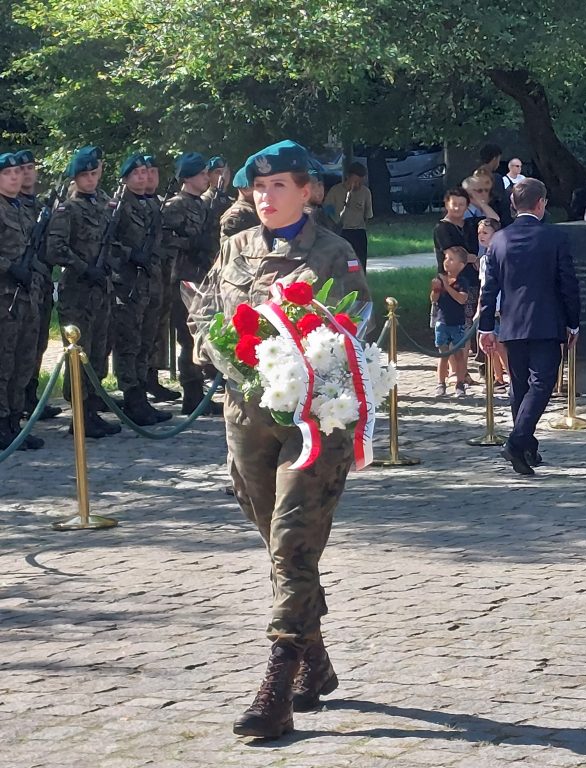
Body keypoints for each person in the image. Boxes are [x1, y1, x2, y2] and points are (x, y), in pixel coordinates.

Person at [191, 139, 372, 740]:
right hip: (247, 414)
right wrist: (220, 353)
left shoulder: (334, 252)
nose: (264, 198)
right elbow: (207, 314)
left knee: (293, 539)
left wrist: (308, 371)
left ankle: (280, 675)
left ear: (307, 192)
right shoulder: (236, 247)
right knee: (273, 533)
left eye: (277, 188)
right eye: (257, 189)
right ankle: (316, 661)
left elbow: (352, 329)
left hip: (313, 419)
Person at [478, 178, 580, 476]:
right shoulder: (554, 237)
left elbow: (489, 288)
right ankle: (517, 441)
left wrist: (486, 327)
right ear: (541, 203)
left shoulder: (499, 240)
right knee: (542, 384)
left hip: (511, 321)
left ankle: (526, 446)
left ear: (513, 206)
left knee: (520, 385)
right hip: (547, 321)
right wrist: (573, 322)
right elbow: (568, 284)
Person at [48, 146, 121, 438]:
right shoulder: (68, 209)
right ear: (75, 178)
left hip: (101, 288)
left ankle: (91, 409)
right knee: (79, 354)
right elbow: (55, 249)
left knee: (99, 350)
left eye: (94, 173)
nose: (90, 180)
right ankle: (78, 415)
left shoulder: (105, 203)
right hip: (78, 290)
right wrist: (83, 267)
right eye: (84, 176)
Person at [109, 153, 171, 426]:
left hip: (150, 281)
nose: (144, 177)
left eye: (147, 172)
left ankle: (143, 394)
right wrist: (130, 254)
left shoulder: (150, 205)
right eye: (138, 173)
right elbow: (106, 242)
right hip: (128, 283)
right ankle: (132, 398)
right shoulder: (118, 205)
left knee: (147, 340)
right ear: (125, 178)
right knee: (129, 343)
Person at [164, 152, 218, 415]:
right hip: (181, 278)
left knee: (200, 336)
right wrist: (190, 244)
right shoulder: (175, 205)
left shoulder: (202, 204)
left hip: (200, 277)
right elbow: (163, 240)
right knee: (188, 338)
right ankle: (192, 396)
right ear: (187, 177)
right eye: (201, 174)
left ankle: (199, 394)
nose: (206, 178)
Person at [14, 149, 61, 423]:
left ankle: (31, 398)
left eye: (30, 167)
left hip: (41, 284)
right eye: (21, 169)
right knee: (17, 348)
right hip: (19, 286)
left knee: (37, 344)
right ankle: (15, 404)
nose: (27, 173)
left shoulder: (42, 204)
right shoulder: (11, 205)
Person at [0, 152, 43, 450]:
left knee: (23, 362)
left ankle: (16, 420)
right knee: (4, 362)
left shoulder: (25, 209)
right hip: (5, 298)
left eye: (17, 172)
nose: (15, 177)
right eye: (8, 173)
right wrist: (8, 267)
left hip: (28, 296)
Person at [140, 156, 182, 404]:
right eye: (145, 172)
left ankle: (152, 378)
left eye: (153, 171)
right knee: (138, 336)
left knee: (155, 332)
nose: (149, 177)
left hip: (161, 275)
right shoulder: (124, 205)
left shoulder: (157, 204)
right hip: (137, 280)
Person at [430, 246, 471, 397]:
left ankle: (460, 383)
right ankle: (441, 383)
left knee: (459, 354)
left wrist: (447, 286)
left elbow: (462, 299)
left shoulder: (462, 282)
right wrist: (435, 290)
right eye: (446, 258)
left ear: (461, 265)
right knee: (443, 354)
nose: (447, 262)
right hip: (442, 321)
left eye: (451, 259)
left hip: (457, 322)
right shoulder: (440, 279)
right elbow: (434, 300)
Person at [476, 218, 508, 391]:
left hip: (500, 306)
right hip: (489, 307)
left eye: (485, 232)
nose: (481, 236)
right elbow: (484, 287)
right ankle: (498, 377)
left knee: (501, 345)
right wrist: (479, 309)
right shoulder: (483, 259)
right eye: (479, 233)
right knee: (491, 345)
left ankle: (511, 375)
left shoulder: (500, 256)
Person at [220, 167, 260, 240]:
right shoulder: (236, 215)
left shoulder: (253, 209)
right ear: (245, 189)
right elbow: (233, 248)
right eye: (258, 186)